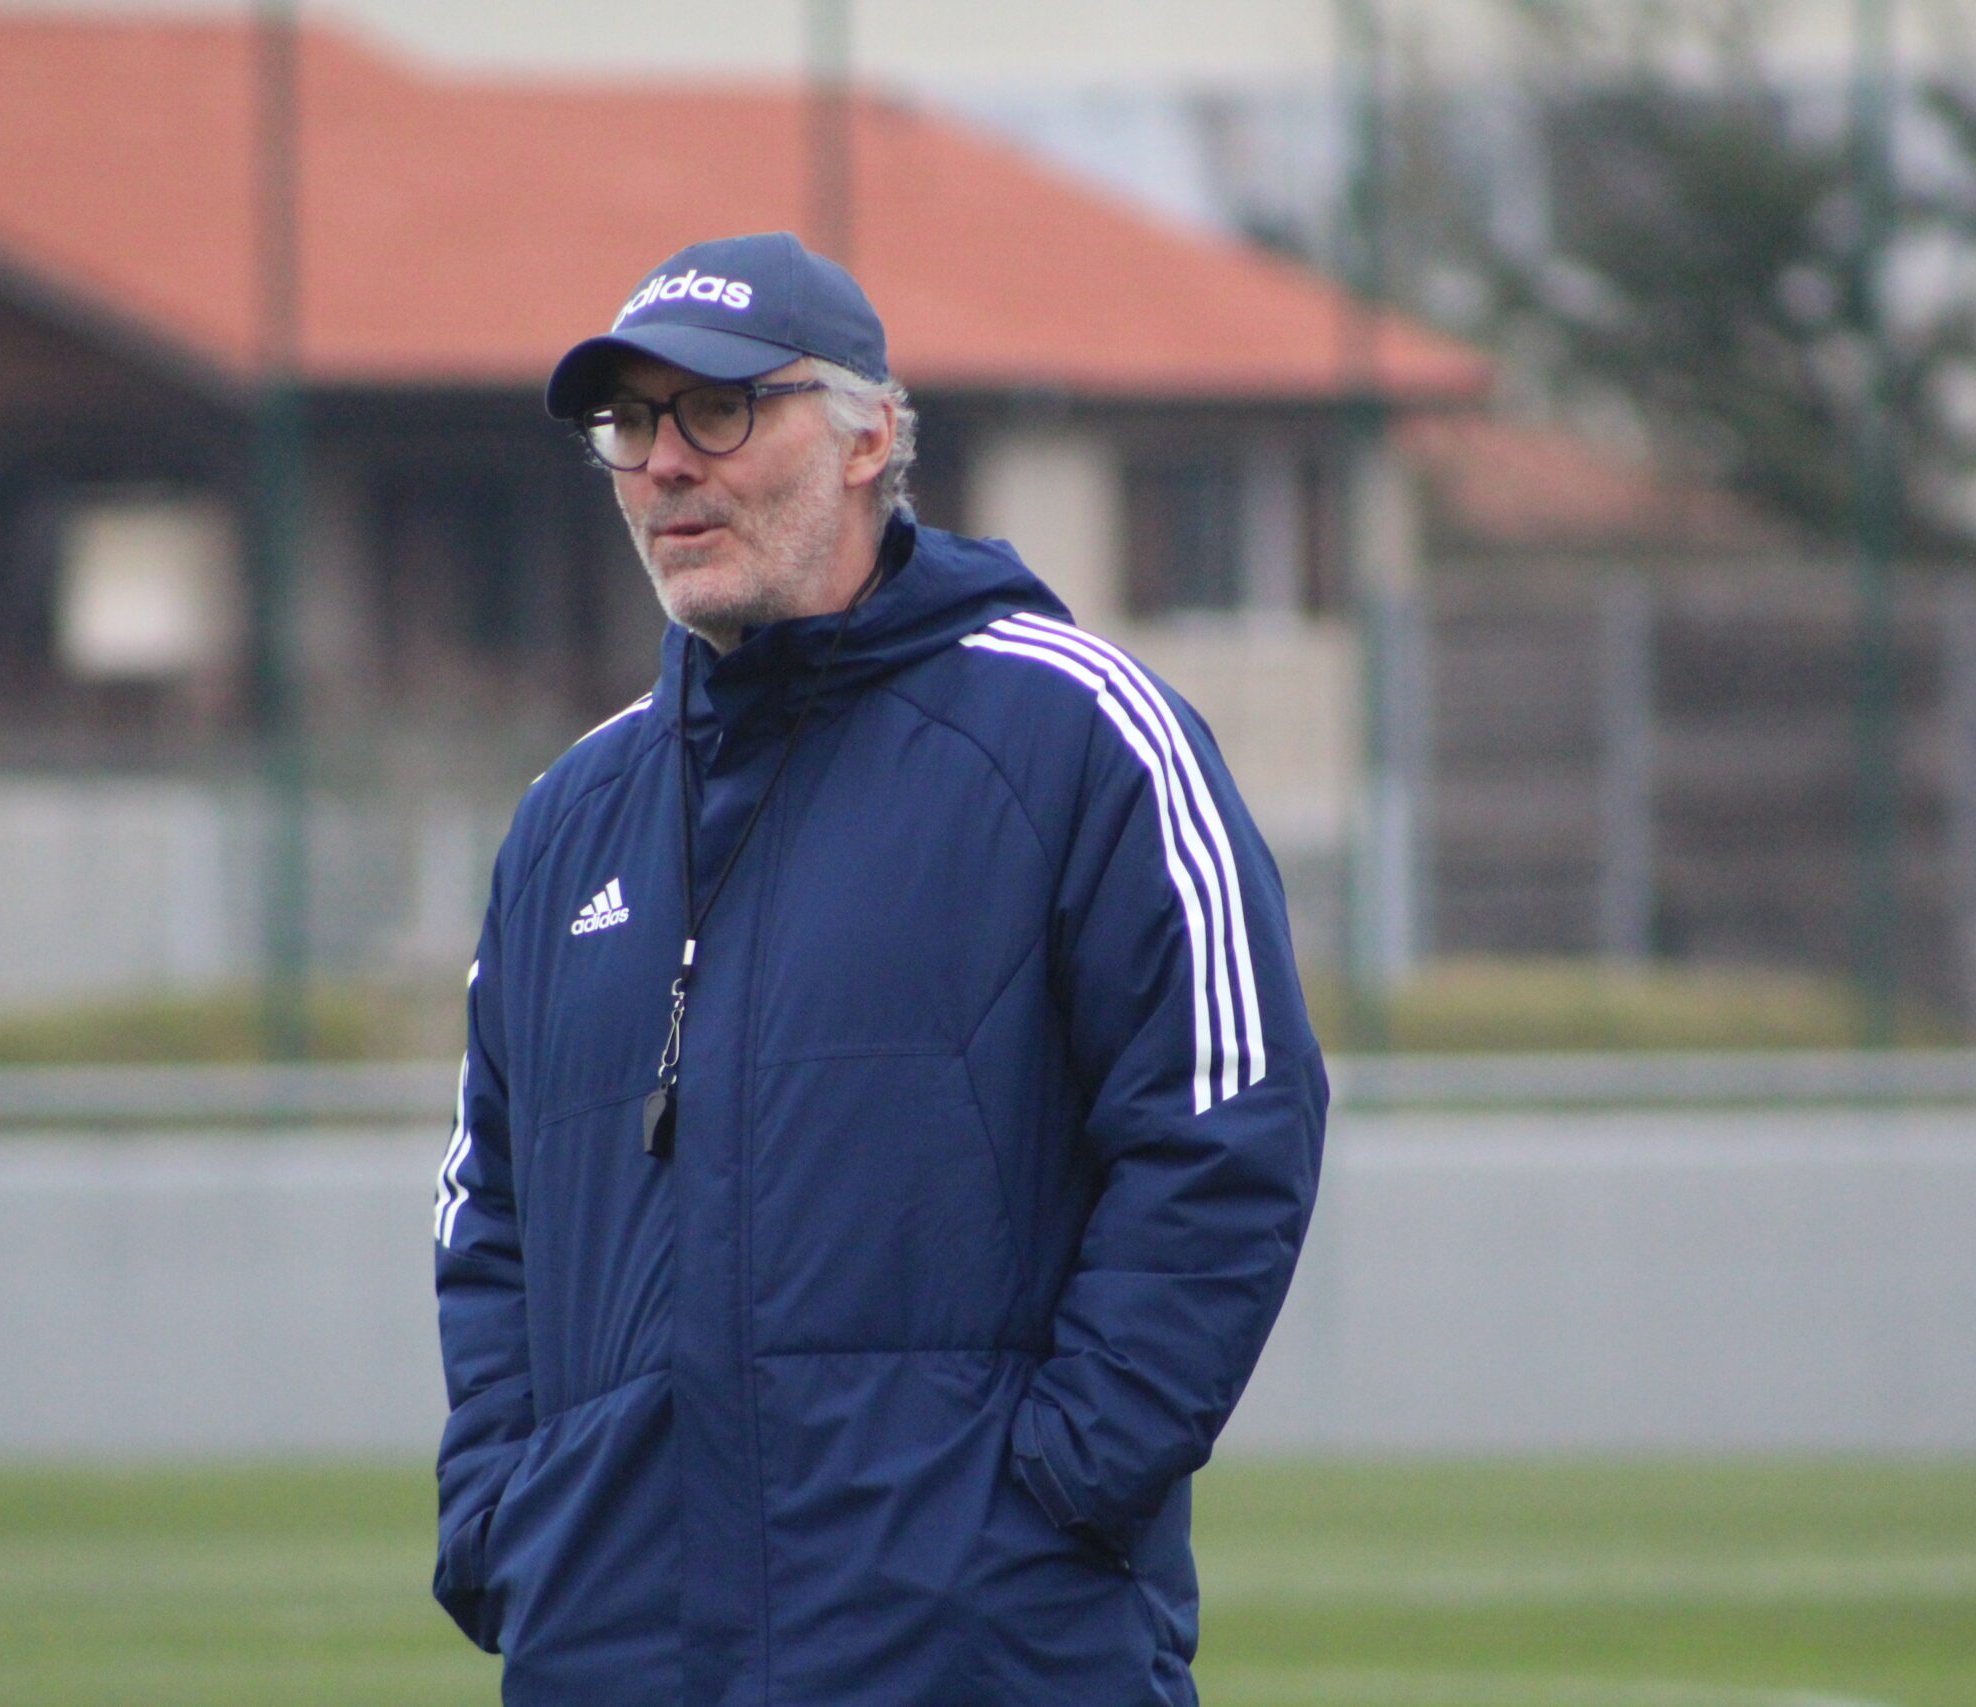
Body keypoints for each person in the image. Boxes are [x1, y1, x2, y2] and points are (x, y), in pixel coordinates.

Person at [432, 231, 1327, 1707]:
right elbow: (489, 1211)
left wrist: (1040, 1503)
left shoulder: (1079, 736)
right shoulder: (568, 820)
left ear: (867, 439)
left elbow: (1226, 1129)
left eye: (717, 410)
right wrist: (507, 1523)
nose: (665, 464)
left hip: (973, 1653)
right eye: (632, 423)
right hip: (618, 1651)